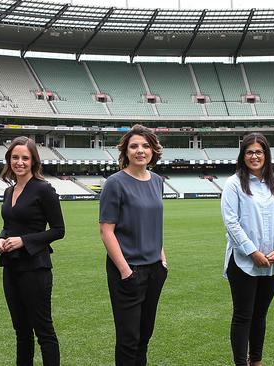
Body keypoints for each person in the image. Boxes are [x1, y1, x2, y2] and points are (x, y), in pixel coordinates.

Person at [220, 132, 274, 366]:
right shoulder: (233, 184)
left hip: (273, 261)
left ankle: (256, 361)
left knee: (260, 315)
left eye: (259, 152)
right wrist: (253, 252)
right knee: (243, 315)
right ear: (243, 155)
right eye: (249, 152)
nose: (254, 156)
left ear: (266, 154)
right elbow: (231, 222)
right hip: (243, 262)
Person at [0, 136, 65, 366]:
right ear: (9, 160)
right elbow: (8, 226)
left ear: (34, 161)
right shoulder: (9, 191)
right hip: (11, 266)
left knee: (43, 331)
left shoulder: (44, 189)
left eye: (25, 158)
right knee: (21, 331)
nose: (19, 162)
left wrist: (24, 241)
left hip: (36, 267)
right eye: (15, 157)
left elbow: (58, 230)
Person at [99, 124, 168, 366]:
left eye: (145, 146)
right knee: (129, 340)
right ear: (126, 152)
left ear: (153, 151)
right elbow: (106, 231)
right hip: (127, 271)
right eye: (134, 146)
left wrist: (162, 259)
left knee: (144, 336)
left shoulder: (157, 181)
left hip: (154, 270)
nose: (140, 150)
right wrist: (125, 271)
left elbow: (154, 223)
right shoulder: (114, 183)